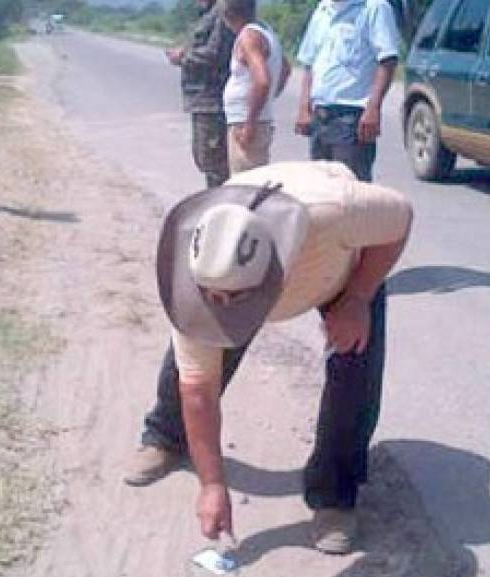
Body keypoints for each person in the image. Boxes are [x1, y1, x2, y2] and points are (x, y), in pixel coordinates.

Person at [122, 161, 413, 555]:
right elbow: (198, 393)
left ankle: (334, 494)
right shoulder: (202, 262)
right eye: (213, 299)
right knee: (192, 351)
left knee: (354, 366)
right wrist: (212, 486)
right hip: (247, 263)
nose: (224, 308)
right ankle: (167, 436)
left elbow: (401, 217)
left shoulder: (333, 211)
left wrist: (358, 296)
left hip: (340, 272)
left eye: (237, 302)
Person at [295, 0, 400, 181]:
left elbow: (388, 60)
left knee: (351, 196)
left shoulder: (374, 7)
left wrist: (373, 108)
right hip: (321, 119)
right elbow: (309, 64)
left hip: (352, 120)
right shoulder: (321, 11)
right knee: (322, 194)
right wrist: (303, 108)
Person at [165, 0, 236, 188]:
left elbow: (216, 54)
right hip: (201, 100)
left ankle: (221, 211)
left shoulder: (222, 13)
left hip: (213, 100)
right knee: (205, 159)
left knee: (215, 163)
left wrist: (183, 58)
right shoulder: (205, 12)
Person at [216, 0, 291, 173]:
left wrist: (250, 121)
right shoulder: (265, 30)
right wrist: (266, 101)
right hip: (254, 118)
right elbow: (285, 69)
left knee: (245, 185)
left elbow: (263, 81)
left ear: (228, 14)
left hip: (246, 122)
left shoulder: (249, 37)